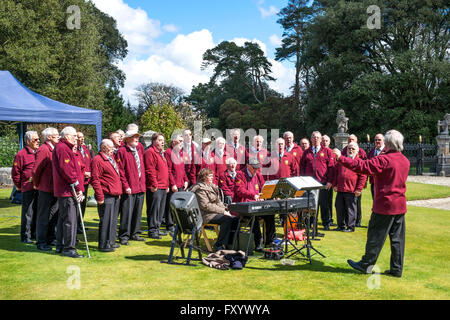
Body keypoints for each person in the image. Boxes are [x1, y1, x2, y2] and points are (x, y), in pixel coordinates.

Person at [333, 130, 410, 278]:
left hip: (385, 205)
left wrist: (340, 158)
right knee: (397, 240)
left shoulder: (384, 160)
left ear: (387, 143)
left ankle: (366, 264)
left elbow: (362, 166)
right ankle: (396, 268)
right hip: (400, 205)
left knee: (375, 236)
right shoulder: (405, 160)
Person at [52, 126, 84, 258]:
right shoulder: (63, 148)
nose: (76, 138)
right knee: (70, 220)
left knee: (63, 219)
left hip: (65, 190)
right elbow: (68, 171)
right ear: (66, 136)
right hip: (66, 191)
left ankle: (60, 245)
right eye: (74, 136)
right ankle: (69, 248)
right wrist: (77, 188)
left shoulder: (64, 148)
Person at [191, 168, 239, 251]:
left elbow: (218, 201)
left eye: (212, 176)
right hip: (204, 215)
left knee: (235, 219)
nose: (212, 178)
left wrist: (226, 209)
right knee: (227, 219)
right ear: (204, 177)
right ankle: (219, 244)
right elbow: (205, 206)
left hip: (213, 212)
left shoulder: (211, 187)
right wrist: (223, 211)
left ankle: (230, 244)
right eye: (210, 176)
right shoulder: (199, 189)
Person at [234, 158, 275, 251]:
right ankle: (257, 244)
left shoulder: (258, 175)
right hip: (243, 206)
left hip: (256, 204)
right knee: (254, 217)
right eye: (254, 168)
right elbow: (239, 190)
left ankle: (270, 241)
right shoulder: (240, 175)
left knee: (270, 214)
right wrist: (253, 195)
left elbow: (264, 187)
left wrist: (269, 195)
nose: (256, 170)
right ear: (248, 166)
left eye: (257, 168)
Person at [91, 139, 122, 252]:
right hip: (106, 195)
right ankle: (103, 244)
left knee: (113, 220)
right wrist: (100, 197)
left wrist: (118, 192)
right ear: (103, 148)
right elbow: (95, 179)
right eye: (111, 147)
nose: (113, 149)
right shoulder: (98, 160)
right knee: (106, 220)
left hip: (114, 194)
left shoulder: (110, 158)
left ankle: (111, 241)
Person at [300, 131, 334, 230]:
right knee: (309, 205)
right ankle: (308, 223)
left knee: (324, 204)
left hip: (323, 183)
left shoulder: (327, 152)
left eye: (318, 138)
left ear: (321, 139)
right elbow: (302, 167)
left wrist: (330, 181)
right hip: (309, 184)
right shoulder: (306, 152)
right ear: (311, 139)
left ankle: (326, 223)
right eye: (314, 137)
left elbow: (331, 168)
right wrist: (303, 180)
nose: (316, 139)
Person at [117, 129, 146, 245]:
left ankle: (134, 233)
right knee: (127, 213)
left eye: (137, 137)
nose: (137, 139)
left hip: (140, 186)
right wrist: (125, 186)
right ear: (127, 139)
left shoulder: (139, 150)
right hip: (129, 187)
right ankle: (124, 235)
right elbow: (121, 171)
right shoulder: (122, 151)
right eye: (134, 137)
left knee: (137, 212)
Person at [32, 127, 59, 251]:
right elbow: (36, 170)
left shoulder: (54, 149)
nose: (58, 136)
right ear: (48, 137)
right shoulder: (43, 149)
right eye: (56, 135)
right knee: (43, 216)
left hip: (54, 188)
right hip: (45, 188)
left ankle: (50, 238)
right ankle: (41, 241)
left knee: (52, 215)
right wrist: (37, 184)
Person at [12, 131, 39, 244]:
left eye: (38, 139)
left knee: (36, 211)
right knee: (28, 213)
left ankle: (33, 233)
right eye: (35, 140)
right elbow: (15, 173)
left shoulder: (38, 152)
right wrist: (19, 186)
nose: (38, 141)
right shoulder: (21, 154)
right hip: (27, 187)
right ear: (28, 142)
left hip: (38, 187)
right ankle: (25, 236)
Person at [333, 142, 367, 232]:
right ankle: (341, 225)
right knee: (339, 207)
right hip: (340, 188)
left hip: (351, 190)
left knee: (350, 209)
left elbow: (363, 176)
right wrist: (335, 184)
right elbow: (336, 173)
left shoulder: (359, 162)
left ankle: (350, 226)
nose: (351, 150)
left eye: (353, 149)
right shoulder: (341, 160)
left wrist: (359, 189)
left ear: (357, 151)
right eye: (349, 148)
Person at [144, 133, 170, 239]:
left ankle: (157, 228)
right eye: (160, 140)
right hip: (156, 186)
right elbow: (150, 170)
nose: (162, 142)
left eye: (163, 140)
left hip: (163, 185)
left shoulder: (161, 153)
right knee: (154, 209)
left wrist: (167, 185)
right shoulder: (150, 152)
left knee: (160, 209)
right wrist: (154, 184)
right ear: (154, 141)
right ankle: (153, 230)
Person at [164, 133, 189, 234]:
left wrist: (186, 180)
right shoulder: (169, 152)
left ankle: (178, 225)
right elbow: (169, 170)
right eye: (180, 141)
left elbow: (182, 169)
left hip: (181, 183)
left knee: (180, 206)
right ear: (174, 142)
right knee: (170, 206)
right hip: (173, 185)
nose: (182, 143)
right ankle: (169, 226)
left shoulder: (181, 152)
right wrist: (172, 184)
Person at [342, 134, 367, 227]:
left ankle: (357, 221)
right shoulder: (344, 151)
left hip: (356, 184)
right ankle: (346, 221)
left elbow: (365, 168)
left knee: (356, 204)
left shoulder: (362, 152)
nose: (350, 141)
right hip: (346, 185)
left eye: (352, 139)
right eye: (349, 140)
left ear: (356, 140)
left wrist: (363, 183)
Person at [76, 131, 92, 234]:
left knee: (83, 205)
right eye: (79, 137)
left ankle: (80, 224)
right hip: (79, 181)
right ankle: (76, 225)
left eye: (82, 137)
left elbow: (89, 162)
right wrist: (83, 173)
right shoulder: (74, 150)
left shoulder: (85, 149)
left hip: (86, 182)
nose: (82, 139)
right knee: (78, 205)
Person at [367, 134, 385, 199]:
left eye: (379, 140)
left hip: (383, 183)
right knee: (375, 203)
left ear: (384, 141)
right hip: (373, 182)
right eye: (375, 140)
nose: (377, 141)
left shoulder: (387, 151)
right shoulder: (372, 151)